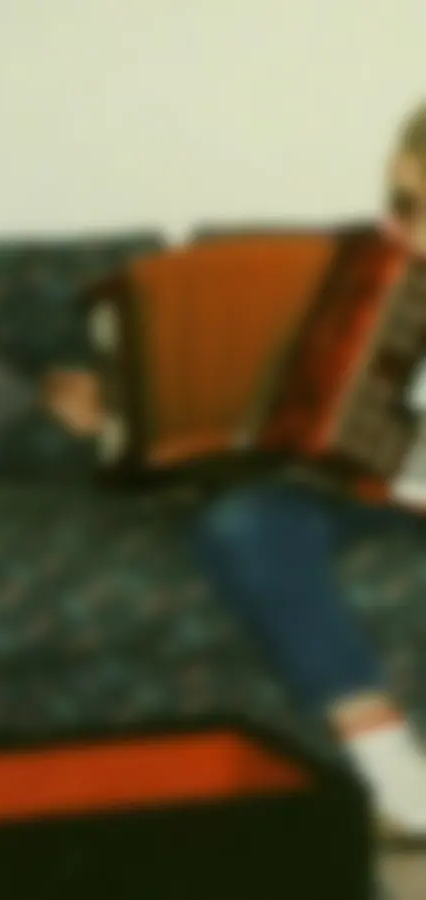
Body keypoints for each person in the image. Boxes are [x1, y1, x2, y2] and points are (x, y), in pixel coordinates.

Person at [41, 101, 426, 843]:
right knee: (242, 518)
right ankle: (385, 758)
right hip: (353, 484)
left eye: (419, 205)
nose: (401, 225)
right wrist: (114, 401)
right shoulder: (360, 271)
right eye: (399, 203)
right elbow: (263, 379)